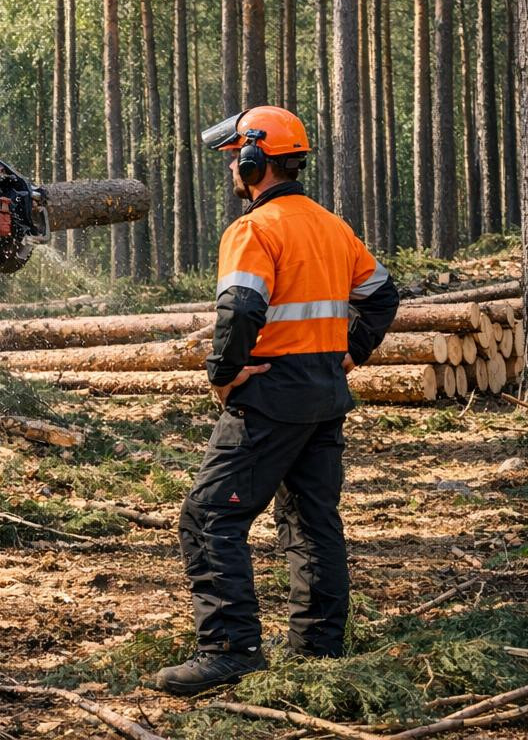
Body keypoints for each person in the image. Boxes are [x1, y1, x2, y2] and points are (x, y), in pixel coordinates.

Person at [155, 105, 400, 696]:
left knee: (210, 517)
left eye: (235, 161)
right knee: (312, 521)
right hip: (323, 394)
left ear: (253, 159)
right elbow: (382, 295)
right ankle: (319, 647)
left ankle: (228, 649)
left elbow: (240, 308)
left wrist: (224, 373)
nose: (233, 172)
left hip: (268, 398)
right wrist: (351, 352)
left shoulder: (254, 230)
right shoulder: (330, 225)